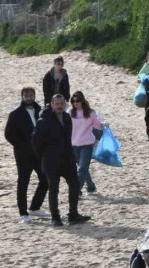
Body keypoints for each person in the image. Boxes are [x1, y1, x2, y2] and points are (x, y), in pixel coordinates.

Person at [31, 94, 91, 226]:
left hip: (68, 160)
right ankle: (55, 218)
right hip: (51, 162)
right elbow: (36, 143)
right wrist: (45, 157)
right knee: (54, 189)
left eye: (61, 104)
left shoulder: (67, 117)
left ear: (65, 104)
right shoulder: (44, 121)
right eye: (57, 104)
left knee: (75, 186)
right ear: (52, 104)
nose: (59, 106)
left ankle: (73, 215)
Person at [4, 87, 49, 224]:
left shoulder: (40, 111)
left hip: (38, 153)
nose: (29, 98)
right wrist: (22, 145)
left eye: (31, 95)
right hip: (23, 154)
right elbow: (8, 134)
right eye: (27, 95)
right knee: (23, 182)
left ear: (35, 96)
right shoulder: (15, 114)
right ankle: (23, 213)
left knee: (45, 179)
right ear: (22, 96)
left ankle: (35, 207)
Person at [69, 91, 103, 194]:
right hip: (73, 145)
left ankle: (76, 190)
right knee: (82, 168)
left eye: (78, 100)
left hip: (87, 145)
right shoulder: (70, 113)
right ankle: (91, 186)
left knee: (83, 168)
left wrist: (103, 125)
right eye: (73, 101)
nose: (76, 103)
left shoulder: (90, 113)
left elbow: (98, 126)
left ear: (82, 101)